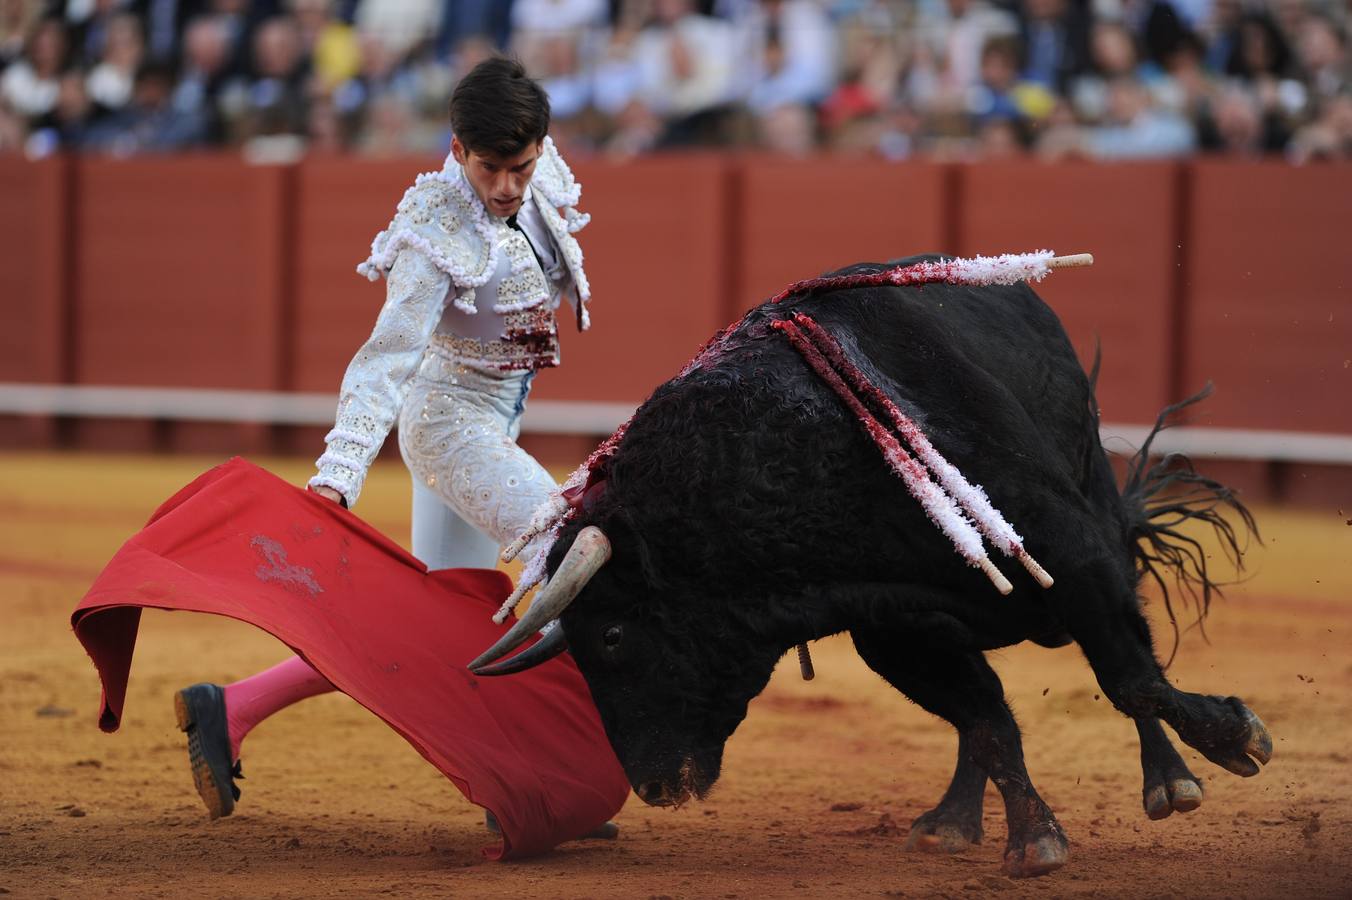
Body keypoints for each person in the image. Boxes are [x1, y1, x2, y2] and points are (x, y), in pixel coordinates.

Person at [172, 56, 614, 838]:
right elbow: (385, 362)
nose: (508, 185)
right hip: (450, 425)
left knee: (433, 625)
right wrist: (338, 476)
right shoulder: (433, 229)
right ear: (455, 149)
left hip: (494, 419)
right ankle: (560, 775)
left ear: (541, 147)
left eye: (521, 165)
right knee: (573, 551)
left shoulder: (540, 180)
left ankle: (232, 706)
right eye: (490, 168)